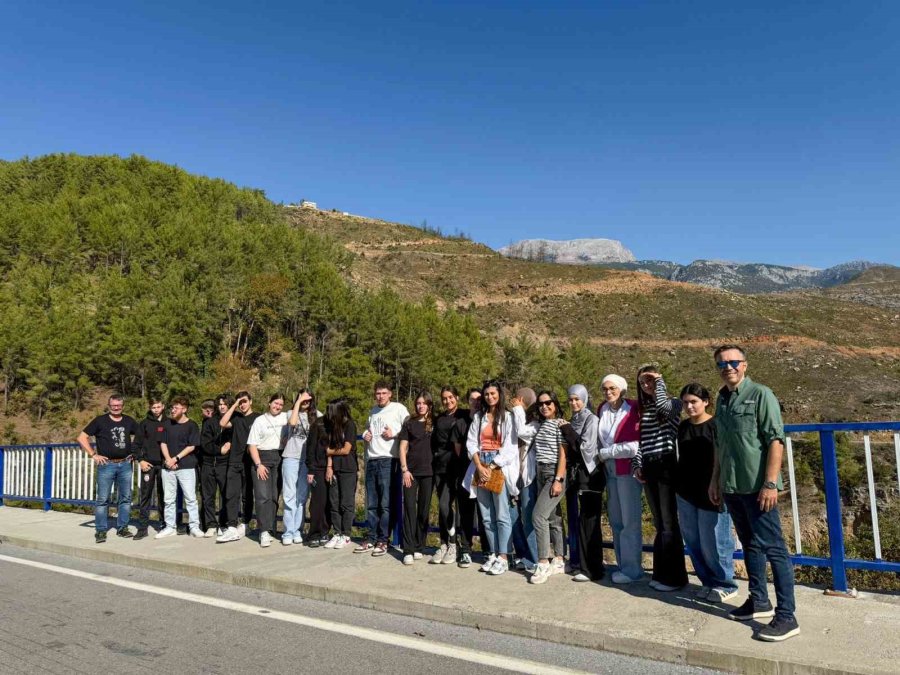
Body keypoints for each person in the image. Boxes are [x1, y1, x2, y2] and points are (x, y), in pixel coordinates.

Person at [710, 344, 799, 642]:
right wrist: (715, 480)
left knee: (774, 549)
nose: (728, 367)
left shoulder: (761, 394)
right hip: (733, 486)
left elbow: (775, 440)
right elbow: (720, 447)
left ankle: (787, 616)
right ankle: (759, 600)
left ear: (745, 365)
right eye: (722, 363)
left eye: (734, 362)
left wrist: (770, 483)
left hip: (759, 487)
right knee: (749, 544)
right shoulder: (722, 400)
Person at [676, 383, 737, 603]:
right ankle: (708, 582)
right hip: (685, 491)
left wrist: (717, 484)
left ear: (706, 402)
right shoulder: (683, 427)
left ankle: (725, 583)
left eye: (694, 401)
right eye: (685, 402)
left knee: (715, 540)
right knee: (693, 540)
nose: (689, 406)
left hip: (711, 491)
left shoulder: (715, 425)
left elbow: (721, 459)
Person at [632, 364, 688, 591]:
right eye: (643, 382)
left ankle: (674, 578)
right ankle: (661, 573)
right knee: (658, 522)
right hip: (649, 465)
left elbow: (664, 409)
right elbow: (641, 440)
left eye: (650, 381)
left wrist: (659, 381)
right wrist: (637, 464)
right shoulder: (642, 410)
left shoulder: (673, 403)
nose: (646, 386)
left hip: (666, 464)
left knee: (668, 522)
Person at [463, 380, 519, 576]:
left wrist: (493, 466)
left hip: (498, 464)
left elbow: (511, 447)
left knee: (502, 513)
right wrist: (479, 466)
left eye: (493, 393)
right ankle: (494, 554)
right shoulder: (479, 417)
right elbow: (471, 443)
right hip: (480, 463)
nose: (490, 397)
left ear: (499, 394)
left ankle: (504, 556)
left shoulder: (508, 417)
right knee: (486, 515)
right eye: (487, 394)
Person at [524, 391, 578, 584]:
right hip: (540, 473)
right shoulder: (541, 424)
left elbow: (563, 455)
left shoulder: (560, 424)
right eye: (540, 404)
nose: (544, 406)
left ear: (555, 404)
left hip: (553, 474)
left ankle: (543, 562)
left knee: (538, 516)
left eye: (548, 403)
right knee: (553, 517)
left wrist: (558, 479)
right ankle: (560, 559)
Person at [596, 374, 643, 584]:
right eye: (605, 388)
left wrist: (608, 452)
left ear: (622, 389)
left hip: (627, 470)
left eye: (612, 388)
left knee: (629, 521)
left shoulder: (633, 408)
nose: (608, 392)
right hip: (609, 471)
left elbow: (636, 445)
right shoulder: (601, 409)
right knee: (615, 519)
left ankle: (633, 569)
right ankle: (622, 565)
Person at [77, 394, 140, 543]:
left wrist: (135, 453)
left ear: (123, 406)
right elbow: (81, 437)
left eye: (119, 405)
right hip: (106, 465)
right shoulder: (100, 421)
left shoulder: (129, 421)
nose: (116, 408)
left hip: (125, 464)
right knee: (102, 499)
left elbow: (141, 435)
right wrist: (93, 454)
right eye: (113, 405)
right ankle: (100, 530)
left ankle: (122, 528)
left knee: (125, 498)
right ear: (109, 405)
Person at [356, 381, 409, 556]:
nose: (380, 396)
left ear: (390, 394)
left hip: (389, 460)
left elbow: (410, 430)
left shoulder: (398, 409)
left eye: (384, 393)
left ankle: (383, 540)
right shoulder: (373, 411)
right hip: (372, 459)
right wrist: (364, 434)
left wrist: (394, 433)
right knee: (372, 503)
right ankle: (371, 537)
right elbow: (367, 429)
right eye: (378, 393)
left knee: (385, 504)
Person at [567, 384, 606, 583]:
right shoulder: (575, 419)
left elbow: (587, 448)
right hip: (580, 476)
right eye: (571, 400)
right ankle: (585, 565)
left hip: (591, 476)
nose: (574, 403)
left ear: (584, 399)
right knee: (583, 521)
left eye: (577, 399)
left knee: (589, 522)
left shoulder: (591, 419)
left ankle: (592, 569)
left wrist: (566, 430)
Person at [429, 386, 469, 565]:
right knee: (444, 507)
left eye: (451, 397)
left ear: (457, 397)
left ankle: (455, 545)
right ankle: (445, 544)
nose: (448, 401)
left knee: (458, 508)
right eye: (444, 398)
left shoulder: (464, 415)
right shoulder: (439, 418)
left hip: (459, 468)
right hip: (440, 468)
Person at [156, 397, 203, 539]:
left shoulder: (192, 425)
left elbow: (192, 446)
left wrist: (176, 458)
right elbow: (162, 443)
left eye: (176, 407)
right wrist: (168, 460)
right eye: (172, 407)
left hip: (186, 467)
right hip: (168, 467)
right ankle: (170, 527)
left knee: (190, 498)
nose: (173, 409)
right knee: (168, 499)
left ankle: (194, 526)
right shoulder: (166, 424)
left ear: (184, 409)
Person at [216, 392, 260, 543]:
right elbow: (222, 423)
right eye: (240, 402)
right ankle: (232, 526)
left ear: (251, 402)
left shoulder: (258, 418)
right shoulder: (235, 417)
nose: (242, 404)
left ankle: (246, 523)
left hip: (249, 462)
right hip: (234, 461)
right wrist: (234, 405)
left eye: (245, 401)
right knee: (231, 494)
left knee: (247, 495)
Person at [246, 393, 289, 548]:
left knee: (273, 496)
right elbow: (252, 445)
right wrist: (258, 464)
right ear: (269, 403)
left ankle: (271, 529)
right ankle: (263, 530)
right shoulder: (260, 420)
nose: (277, 407)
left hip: (279, 457)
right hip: (262, 458)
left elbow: (298, 420)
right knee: (262, 495)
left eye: (280, 404)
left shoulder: (285, 417)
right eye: (275, 403)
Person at [399, 392, 435, 565]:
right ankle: (408, 549)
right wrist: (404, 469)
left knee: (423, 510)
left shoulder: (434, 423)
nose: (421, 406)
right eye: (418, 403)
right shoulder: (409, 423)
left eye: (424, 403)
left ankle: (419, 546)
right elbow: (402, 447)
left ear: (429, 405)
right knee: (409, 509)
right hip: (410, 473)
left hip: (429, 472)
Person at [282, 389, 317, 546]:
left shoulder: (317, 415)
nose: (305, 402)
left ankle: (298, 530)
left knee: (302, 496)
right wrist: (298, 402)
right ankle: (288, 531)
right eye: (302, 399)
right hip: (291, 457)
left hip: (307, 460)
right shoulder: (290, 412)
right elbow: (293, 423)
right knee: (289, 495)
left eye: (308, 399)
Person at [509, 387, 538, 574]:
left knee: (528, 519)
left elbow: (521, 432)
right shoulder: (513, 418)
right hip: (513, 475)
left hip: (528, 476)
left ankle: (535, 559)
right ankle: (522, 555)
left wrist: (518, 409)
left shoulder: (535, 424)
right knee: (513, 517)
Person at [323, 398, 358, 550]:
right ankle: (337, 533)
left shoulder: (350, 425)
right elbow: (331, 447)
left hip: (348, 469)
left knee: (346, 503)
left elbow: (346, 449)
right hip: (335, 469)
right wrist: (329, 466)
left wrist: (329, 451)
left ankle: (346, 534)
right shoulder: (332, 427)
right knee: (334, 502)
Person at [199, 395, 232, 537]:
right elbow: (205, 443)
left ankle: (224, 524)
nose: (222, 406)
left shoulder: (234, 421)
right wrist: (219, 450)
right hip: (207, 463)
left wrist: (229, 445)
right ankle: (211, 524)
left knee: (226, 495)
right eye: (220, 404)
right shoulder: (209, 422)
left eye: (225, 404)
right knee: (208, 496)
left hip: (224, 464)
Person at [134, 399, 167, 540]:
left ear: (163, 406)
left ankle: (165, 524)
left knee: (165, 496)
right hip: (148, 465)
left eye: (158, 406)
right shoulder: (144, 423)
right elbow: (136, 445)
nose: (156, 409)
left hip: (165, 466)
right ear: (150, 408)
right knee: (145, 496)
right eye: (153, 407)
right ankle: (142, 527)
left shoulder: (169, 422)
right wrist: (140, 460)